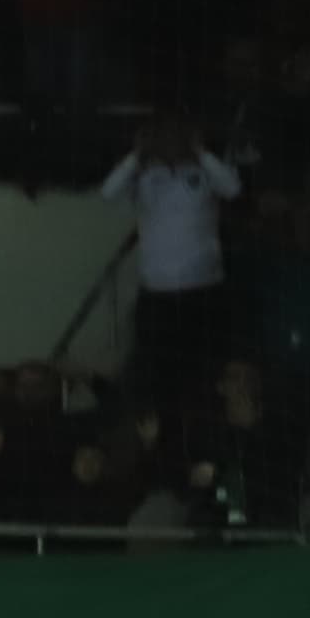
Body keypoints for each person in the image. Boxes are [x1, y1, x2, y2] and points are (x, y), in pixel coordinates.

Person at [102, 114, 242, 417]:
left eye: (177, 135)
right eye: (163, 135)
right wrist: (136, 155)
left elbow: (232, 188)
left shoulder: (206, 173)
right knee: (157, 372)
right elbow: (108, 193)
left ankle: (209, 431)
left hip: (203, 290)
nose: (170, 141)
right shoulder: (144, 177)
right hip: (157, 293)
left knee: (205, 369)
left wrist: (201, 152)